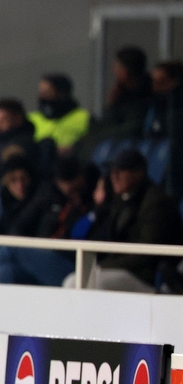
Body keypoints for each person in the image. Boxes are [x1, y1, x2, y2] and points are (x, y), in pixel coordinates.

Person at [65, 148, 183, 292]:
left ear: (138, 173)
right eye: (113, 171)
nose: (114, 176)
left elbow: (146, 253)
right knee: (72, 281)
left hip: (146, 277)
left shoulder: (155, 202)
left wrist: (103, 266)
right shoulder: (119, 200)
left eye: (120, 171)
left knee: (92, 283)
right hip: (121, 270)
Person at [0, 157, 91, 286]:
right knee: (5, 271)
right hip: (44, 256)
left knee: (11, 247)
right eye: (62, 180)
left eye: (69, 179)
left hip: (68, 261)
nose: (65, 185)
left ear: (80, 178)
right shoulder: (48, 195)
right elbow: (21, 225)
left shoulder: (88, 203)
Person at [143, 60, 183, 197]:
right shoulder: (153, 105)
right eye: (153, 82)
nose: (154, 87)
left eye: (160, 82)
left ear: (174, 82)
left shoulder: (176, 110)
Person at [29, 73, 90, 154]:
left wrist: (72, 150)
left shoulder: (84, 117)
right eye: (41, 92)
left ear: (62, 93)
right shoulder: (31, 119)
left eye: (47, 92)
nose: (41, 96)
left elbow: (91, 144)